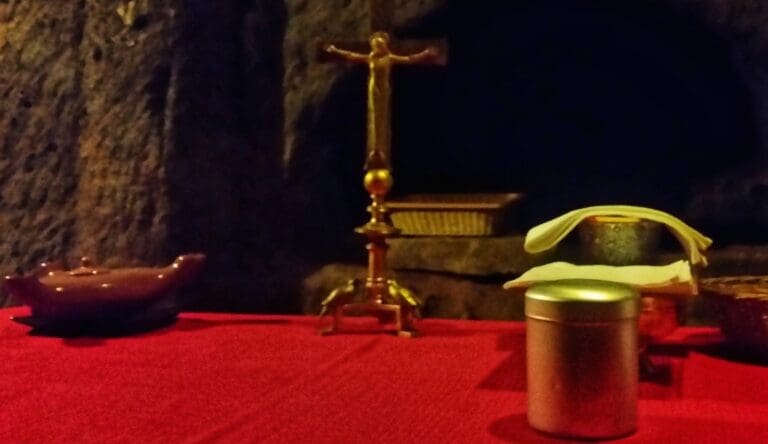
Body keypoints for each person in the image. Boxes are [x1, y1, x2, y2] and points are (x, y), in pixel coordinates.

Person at [325, 32, 438, 170]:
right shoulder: (371, 58)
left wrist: (425, 53)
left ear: (384, 46)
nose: (378, 47)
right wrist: (335, 50)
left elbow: (408, 59)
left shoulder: (389, 58)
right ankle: (374, 152)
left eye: (380, 45)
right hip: (373, 90)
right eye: (376, 45)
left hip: (384, 90)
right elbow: (351, 55)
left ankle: (380, 152)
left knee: (382, 120)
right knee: (374, 119)